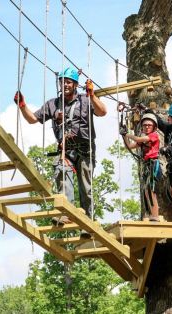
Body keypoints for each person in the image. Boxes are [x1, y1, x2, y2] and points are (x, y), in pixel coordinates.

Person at [14, 67, 107, 236]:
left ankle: (89, 224)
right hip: (66, 151)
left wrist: (92, 95)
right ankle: (67, 213)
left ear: (75, 85)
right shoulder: (53, 104)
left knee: (86, 189)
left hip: (85, 150)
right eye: (62, 81)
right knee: (62, 176)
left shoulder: (86, 100)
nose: (64, 84)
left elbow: (102, 112)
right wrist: (22, 106)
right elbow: (32, 119)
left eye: (68, 82)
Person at [120, 113, 161, 222]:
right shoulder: (144, 140)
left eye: (149, 125)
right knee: (146, 190)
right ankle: (151, 213)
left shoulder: (153, 136)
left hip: (153, 164)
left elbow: (138, 139)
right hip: (147, 165)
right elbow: (128, 146)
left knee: (151, 189)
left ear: (154, 127)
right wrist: (123, 136)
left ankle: (155, 215)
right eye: (145, 125)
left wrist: (128, 134)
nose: (147, 127)